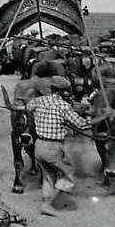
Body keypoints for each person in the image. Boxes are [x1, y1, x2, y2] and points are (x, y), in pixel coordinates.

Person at [27, 75, 91, 216]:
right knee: (69, 176)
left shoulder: (38, 100)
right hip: (53, 147)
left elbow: (28, 107)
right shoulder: (63, 106)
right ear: (63, 92)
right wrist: (100, 117)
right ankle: (47, 205)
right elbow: (82, 124)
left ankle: (46, 201)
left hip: (39, 146)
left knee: (48, 175)